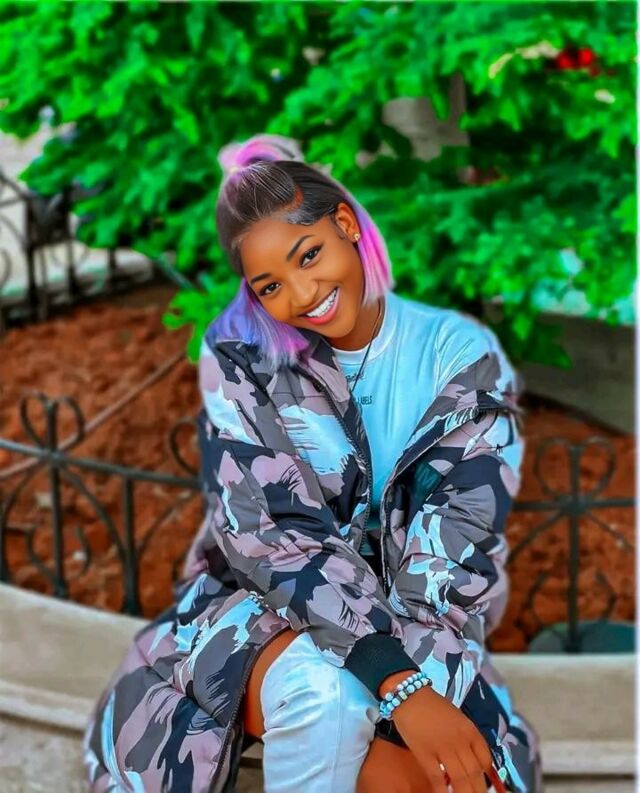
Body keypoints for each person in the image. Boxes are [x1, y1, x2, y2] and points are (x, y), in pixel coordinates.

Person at [83, 134, 542, 793]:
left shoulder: (458, 355)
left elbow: (458, 545)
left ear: (346, 224)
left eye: (310, 255)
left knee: (454, 777)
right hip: (263, 606)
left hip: (421, 623)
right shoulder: (242, 356)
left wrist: (418, 684)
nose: (302, 294)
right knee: (328, 696)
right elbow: (272, 539)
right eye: (270, 285)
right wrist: (394, 680)